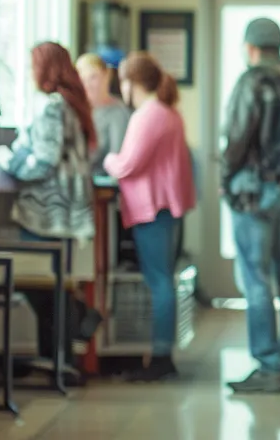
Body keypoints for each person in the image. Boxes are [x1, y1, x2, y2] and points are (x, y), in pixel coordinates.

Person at [0, 42, 103, 374]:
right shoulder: (72, 104)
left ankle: (67, 341)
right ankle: (58, 360)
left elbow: (43, 160)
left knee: (38, 284)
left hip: (46, 211)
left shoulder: (51, 107)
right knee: (52, 286)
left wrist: (6, 159)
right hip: (67, 211)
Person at [220, 18, 280, 394]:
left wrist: (225, 177)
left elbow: (238, 136)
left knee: (256, 279)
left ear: (251, 48)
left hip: (254, 191)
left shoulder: (252, 81)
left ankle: (269, 365)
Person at [102, 51, 195, 382]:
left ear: (131, 83)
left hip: (151, 208)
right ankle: (161, 353)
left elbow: (127, 164)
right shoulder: (168, 113)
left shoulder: (148, 115)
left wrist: (108, 159)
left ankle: (160, 356)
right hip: (166, 207)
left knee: (158, 281)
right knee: (163, 279)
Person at [77, 52, 131, 175]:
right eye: (82, 79)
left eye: (93, 77)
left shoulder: (118, 113)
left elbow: (118, 159)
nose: (88, 85)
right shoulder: (75, 110)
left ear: (107, 75)